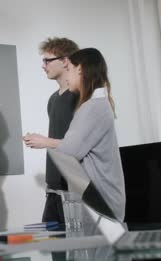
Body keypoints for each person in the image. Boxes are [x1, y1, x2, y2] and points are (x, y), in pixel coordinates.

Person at [49, 48, 126, 221]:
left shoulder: (93, 107)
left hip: (100, 199)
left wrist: (46, 143)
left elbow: (69, 151)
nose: (66, 76)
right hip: (97, 198)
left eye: (68, 69)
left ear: (80, 69)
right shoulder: (95, 105)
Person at [22, 37, 79, 223]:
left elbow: (81, 144)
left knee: (77, 249)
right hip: (54, 187)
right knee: (53, 247)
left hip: (75, 188)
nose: (43, 65)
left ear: (65, 61)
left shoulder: (80, 96)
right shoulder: (53, 99)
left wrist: (44, 141)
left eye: (47, 60)